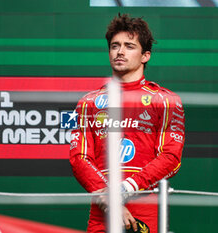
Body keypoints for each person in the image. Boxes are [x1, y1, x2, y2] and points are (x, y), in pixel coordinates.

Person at [69, 14, 185, 233]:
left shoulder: (166, 100)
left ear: (145, 56)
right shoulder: (89, 102)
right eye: (115, 46)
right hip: (101, 211)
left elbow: (171, 158)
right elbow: (79, 158)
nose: (120, 51)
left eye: (129, 46)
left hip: (146, 208)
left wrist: (125, 189)